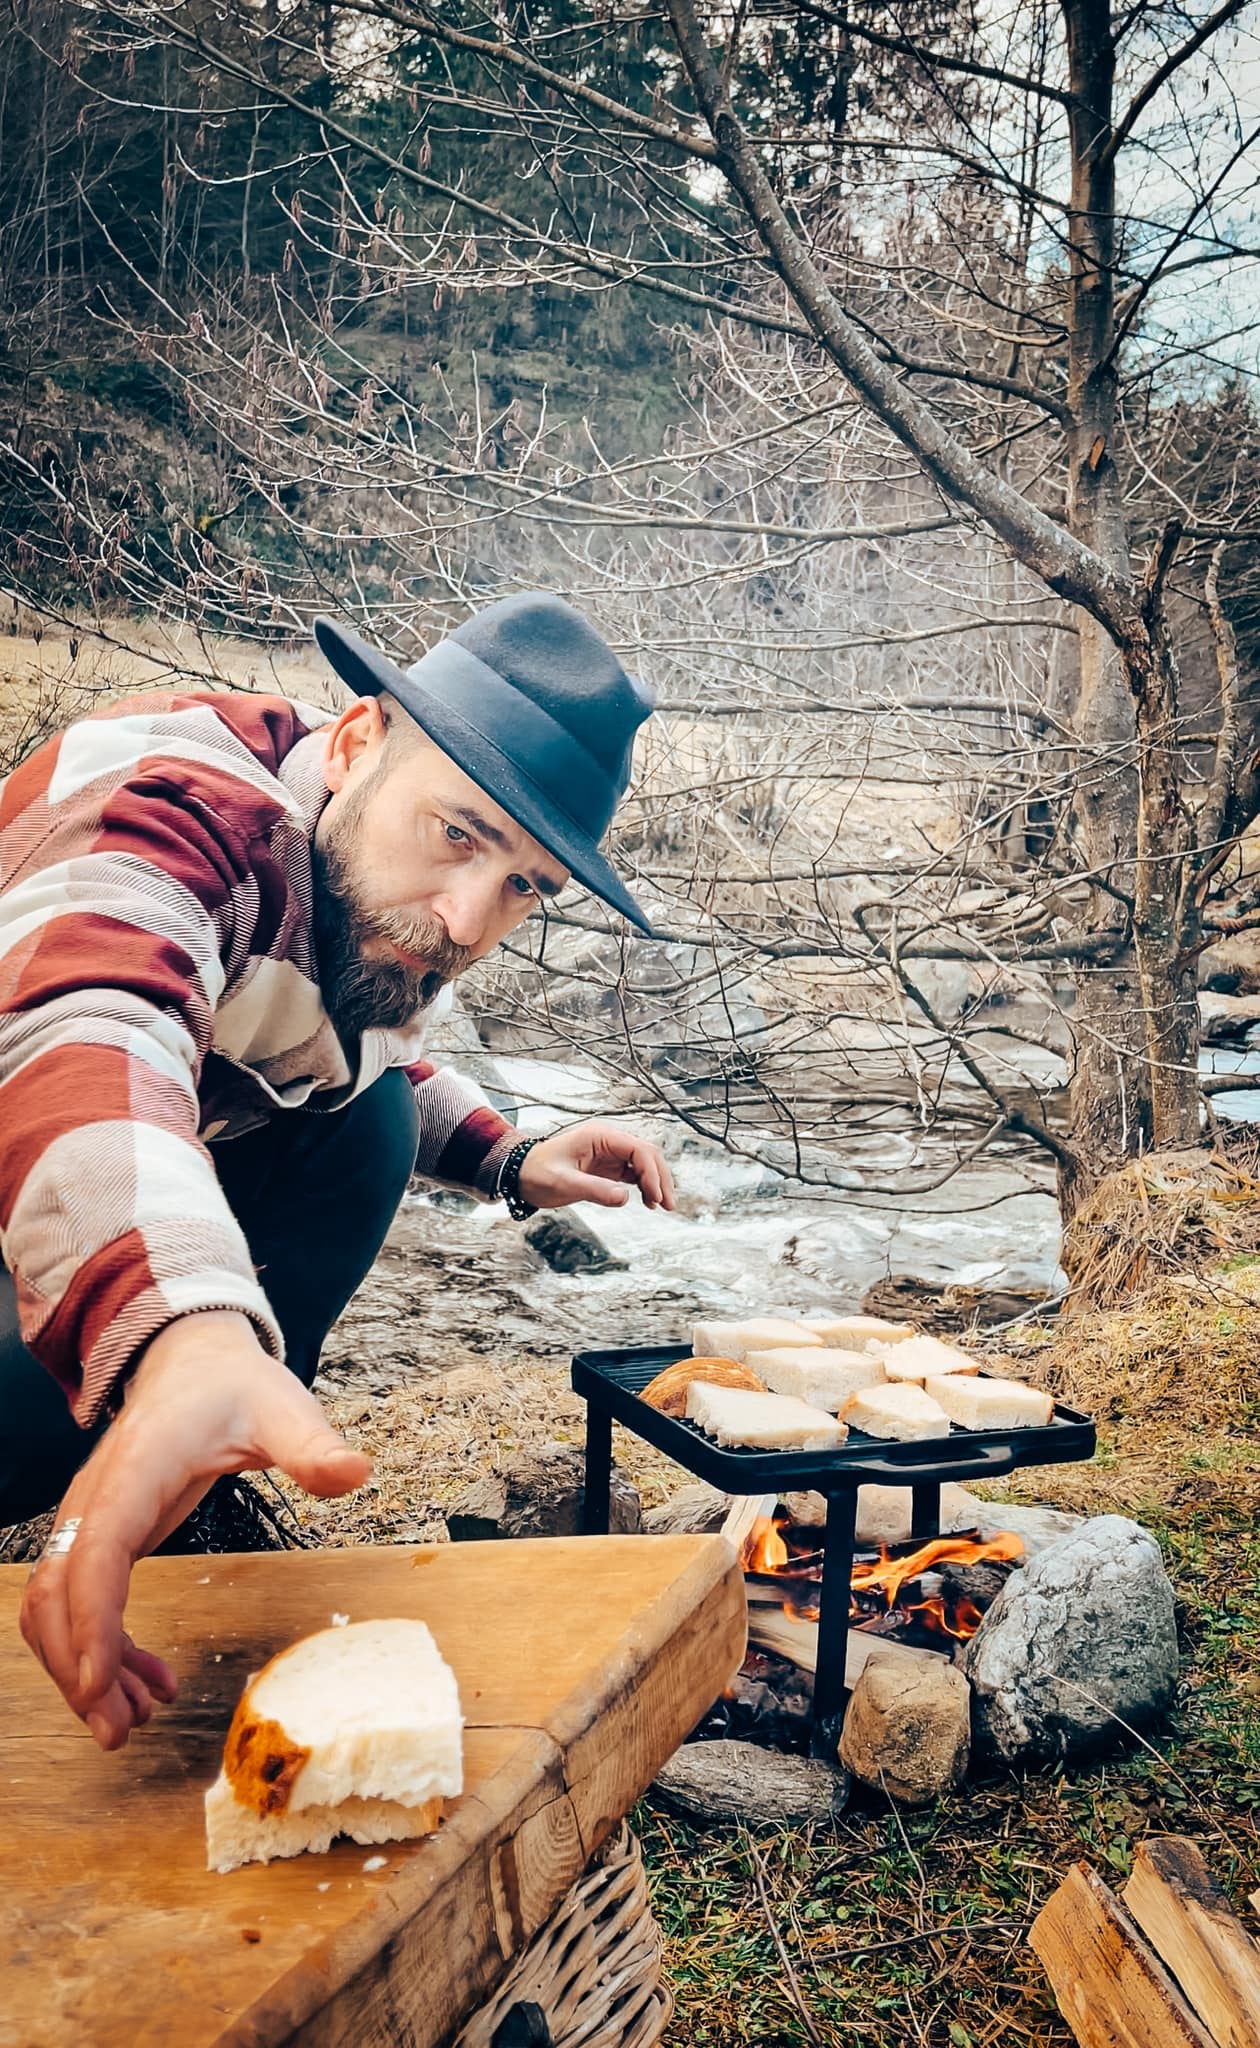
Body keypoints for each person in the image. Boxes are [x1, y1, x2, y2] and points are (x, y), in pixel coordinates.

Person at [0, 591, 675, 1750]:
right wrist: (190, 1338)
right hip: (40, 1149)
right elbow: (90, 1021)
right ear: (360, 740)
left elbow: (352, 1050)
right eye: (459, 834)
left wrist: (511, 1157)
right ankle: (154, 1422)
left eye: (525, 886)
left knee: (365, 1132)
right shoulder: (175, 807)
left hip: (101, 1183)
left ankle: (181, 1482)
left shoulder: (359, 838)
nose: (469, 917)